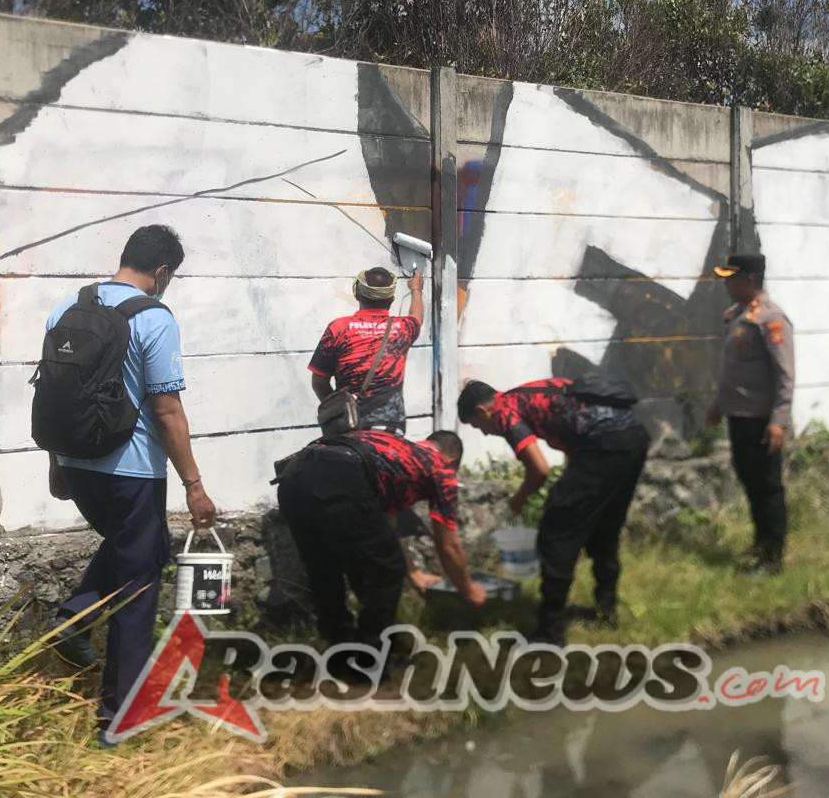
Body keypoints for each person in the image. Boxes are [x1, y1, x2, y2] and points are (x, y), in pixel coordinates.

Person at [43, 224, 217, 745]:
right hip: (131, 471)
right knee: (138, 586)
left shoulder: (66, 308)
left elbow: (56, 395)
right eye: (171, 277)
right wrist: (194, 484)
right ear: (161, 271)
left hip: (78, 466)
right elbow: (166, 408)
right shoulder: (154, 317)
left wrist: (59, 464)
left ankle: (74, 619)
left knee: (137, 548)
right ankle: (121, 715)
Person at [457, 377, 650, 646]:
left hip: (602, 446)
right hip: (634, 435)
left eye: (478, 426)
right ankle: (606, 612)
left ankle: (550, 634)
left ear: (482, 411)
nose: (485, 433)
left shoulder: (504, 411)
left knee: (556, 535)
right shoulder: (527, 393)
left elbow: (539, 470)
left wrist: (518, 499)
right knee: (605, 527)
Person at [276, 430, 486, 657]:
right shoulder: (440, 467)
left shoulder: (395, 451)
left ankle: (339, 653)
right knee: (385, 575)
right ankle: (369, 661)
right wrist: (468, 588)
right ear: (452, 459)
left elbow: (386, 530)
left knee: (325, 569)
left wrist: (414, 573)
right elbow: (449, 546)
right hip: (343, 472)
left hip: (293, 476)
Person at [705, 252, 795, 576]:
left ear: (750, 280)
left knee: (767, 485)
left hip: (761, 419)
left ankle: (773, 559)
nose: (727, 284)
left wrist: (778, 422)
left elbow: (785, 374)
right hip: (738, 415)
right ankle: (761, 543)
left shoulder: (771, 318)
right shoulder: (735, 315)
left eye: (732, 278)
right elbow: (733, 368)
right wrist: (719, 404)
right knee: (749, 479)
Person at [309, 267, 424, 434]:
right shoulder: (403, 328)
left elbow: (319, 382)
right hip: (389, 430)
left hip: (349, 428)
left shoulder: (338, 328)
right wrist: (416, 289)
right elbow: (417, 317)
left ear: (357, 294)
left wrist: (338, 408)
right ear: (392, 298)